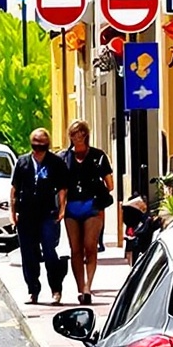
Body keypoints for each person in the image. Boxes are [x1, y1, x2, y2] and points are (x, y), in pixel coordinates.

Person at [11, 127, 67, 305]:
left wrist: (62, 209)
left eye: (42, 145)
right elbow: (14, 189)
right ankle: (33, 290)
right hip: (26, 214)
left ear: (48, 145)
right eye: (35, 144)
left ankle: (56, 289)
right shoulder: (23, 162)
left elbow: (62, 188)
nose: (38, 149)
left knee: (50, 251)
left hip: (48, 213)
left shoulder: (55, 163)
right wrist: (13, 213)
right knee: (28, 253)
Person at [61, 118, 115, 299]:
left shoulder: (98, 156)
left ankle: (87, 287)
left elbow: (110, 184)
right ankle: (80, 288)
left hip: (92, 205)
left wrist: (97, 192)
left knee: (90, 246)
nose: (77, 137)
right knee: (75, 249)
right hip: (71, 207)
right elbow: (60, 186)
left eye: (81, 133)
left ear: (86, 135)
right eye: (74, 134)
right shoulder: (64, 158)